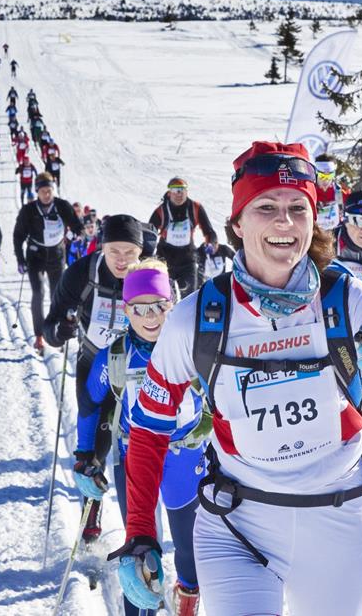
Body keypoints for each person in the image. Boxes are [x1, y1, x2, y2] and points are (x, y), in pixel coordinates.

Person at [112, 141, 362, 616]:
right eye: (266, 207)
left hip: (338, 519)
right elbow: (149, 430)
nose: (284, 222)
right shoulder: (197, 318)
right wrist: (139, 533)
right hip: (237, 522)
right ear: (237, 222)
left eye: (298, 208)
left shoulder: (348, 303)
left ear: (314, 219)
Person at [73, 259, 206, 616]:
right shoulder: (115, 356)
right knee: (139, 551)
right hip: (135, 456)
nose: (151, 317)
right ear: (126, 310)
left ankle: (188, 600)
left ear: (172, 304)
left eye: (159, 306)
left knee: (188, 545)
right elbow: (89, 402)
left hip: (185, 456)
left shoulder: (196, 349)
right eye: (139, 308)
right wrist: (85, 456)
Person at [44, 215, 150, 539]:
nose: (122, 260)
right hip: (94, 363)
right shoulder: (81, 273)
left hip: (136, 371)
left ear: (140, 251)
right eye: (114, 251)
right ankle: (91, 516)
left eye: (129, 252)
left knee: (139, 447)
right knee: (95, 449)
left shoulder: (149, 274)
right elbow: (49, 328)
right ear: (102, 247)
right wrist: (60, 331)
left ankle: (141, 529)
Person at [12, 173, 84, 353]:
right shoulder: (28, 210)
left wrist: (72, 235)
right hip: (35, 256)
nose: (46, 195)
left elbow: (78, 227)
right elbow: (18, 236)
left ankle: (57, 334)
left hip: (56, 255)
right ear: (37, 191)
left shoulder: (62, 206)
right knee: (38, 293)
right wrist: (20, 260)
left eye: (49, 191)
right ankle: (39, 336)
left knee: (57, 295)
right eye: (43, 191)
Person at [147, 178, 219, 298]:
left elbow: (209, 231)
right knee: (161, 297)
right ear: (169, 193)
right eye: (175, 190)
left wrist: (212, 243)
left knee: (190, 298)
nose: (178, 194)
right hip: (164, 259)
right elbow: (149, 233)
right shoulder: (161, 211)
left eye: (182, 190)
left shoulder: (195, 208)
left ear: (187, 192)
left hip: (187, 260)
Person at [313, 155, 346, 231]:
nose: (326, 180)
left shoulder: (340, 193)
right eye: (322, 176)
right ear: (316, 174)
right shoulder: (310, 193)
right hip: (314, 235)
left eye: (329, 176)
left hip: (334, 235)